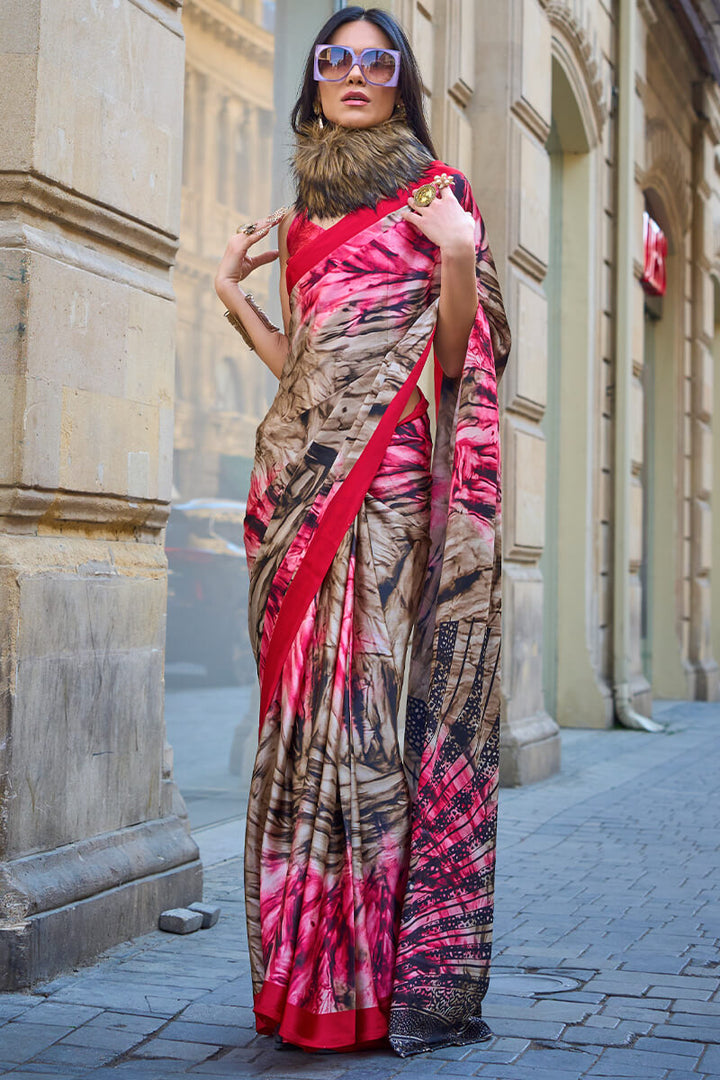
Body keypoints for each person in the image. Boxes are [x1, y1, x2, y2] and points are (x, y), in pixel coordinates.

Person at [213, 6, 511, 1058]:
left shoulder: (438, 198)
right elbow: (304, 369)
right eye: (332, 58)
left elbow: (456, 361)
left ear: (398, 80)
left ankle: (369, 984)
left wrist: (460, 256)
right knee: (299, 730)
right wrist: (229, 295)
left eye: (374, 61)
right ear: (314, 78)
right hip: (297, 496)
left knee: (368, 729)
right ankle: (301, 979)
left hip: (385, 502)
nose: (353, 73)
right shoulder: (301, 220)